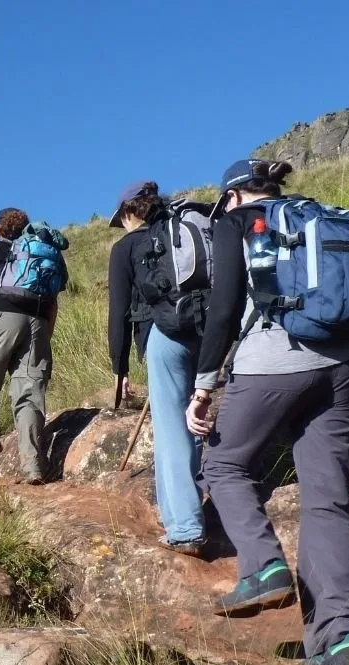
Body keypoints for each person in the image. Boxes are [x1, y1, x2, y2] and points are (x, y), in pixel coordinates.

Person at [186, 160, 349, 665]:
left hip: (273, 363)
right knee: (328, 503)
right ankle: (342, 642)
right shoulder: (317, 217)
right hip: (347, 366)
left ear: (235, 196)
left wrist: (203, 387)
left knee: (223, 464)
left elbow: (224, 308)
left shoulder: (235, 223)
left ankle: (264, 565)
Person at [107, 181, 206, 554]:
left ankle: (185, 527)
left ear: (129, 212)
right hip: (211, 333)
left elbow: (119, 313)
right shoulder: (184, 233)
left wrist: (120, 366)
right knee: (197, 419)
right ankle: (192, 506)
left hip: (165, 337)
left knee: (171, 431)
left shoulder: (126, 247)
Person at [0, 207, 67, 484]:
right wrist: (43, 338)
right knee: (29, 394)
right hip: (39, 321)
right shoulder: (44, 254)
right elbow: (53, 304)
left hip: (3, 316)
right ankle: (33, 467)